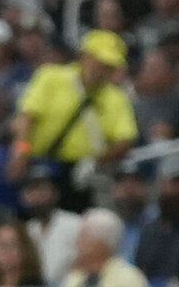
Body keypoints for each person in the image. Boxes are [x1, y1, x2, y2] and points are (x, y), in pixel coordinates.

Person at [10, 28, 137, 185]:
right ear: (85, 56)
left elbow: (126, 138)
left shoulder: (116, 98)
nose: (102, 71)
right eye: (100, 63)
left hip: (81, 171)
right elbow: (27, 116)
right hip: (41, 162)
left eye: (109, 66)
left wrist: (96, 162)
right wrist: (21, 151)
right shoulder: (50, 77)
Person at [55, 207, 153, 287]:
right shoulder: (74, 278)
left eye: (82, 238)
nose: (76, 243)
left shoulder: (130, 280)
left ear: (100, 244)